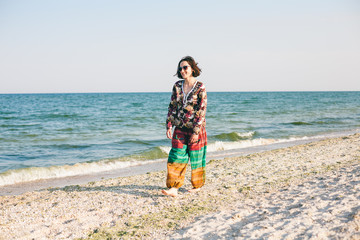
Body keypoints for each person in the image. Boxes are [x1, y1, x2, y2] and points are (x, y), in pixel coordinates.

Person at [162, 56, 207, 197]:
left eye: (185, 67)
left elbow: (202, 109)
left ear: (192, 68)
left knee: (196, 157)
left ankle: (197, 185)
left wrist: (195, 131)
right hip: (180, 128)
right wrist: (169, 125)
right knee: (176, 156)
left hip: (196, 129)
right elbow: (172, 106)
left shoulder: (200, 87)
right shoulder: (177, 86)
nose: (182, 70)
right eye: (180, 68)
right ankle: (173, 188)